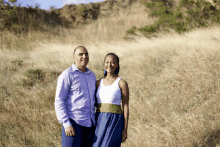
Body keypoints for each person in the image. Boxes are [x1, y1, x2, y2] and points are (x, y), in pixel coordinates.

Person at [54, 46, 96, 147]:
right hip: (74, 123)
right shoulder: (67, 74)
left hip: (90, 124)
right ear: (74, 58)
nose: (84, 56)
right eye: (80, 54)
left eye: (86, 54)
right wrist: (66, 124)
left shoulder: (92, 75)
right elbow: (59, 100)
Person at [93, 53, 130, 147]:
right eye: (107, 62)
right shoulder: (98, 83)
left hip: (114, 121)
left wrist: (125, 129)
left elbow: (125, 106)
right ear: (104, 64)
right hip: (99, 121)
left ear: (117, 65)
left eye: (113, 62)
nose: (109, 65)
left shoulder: (121, 83)